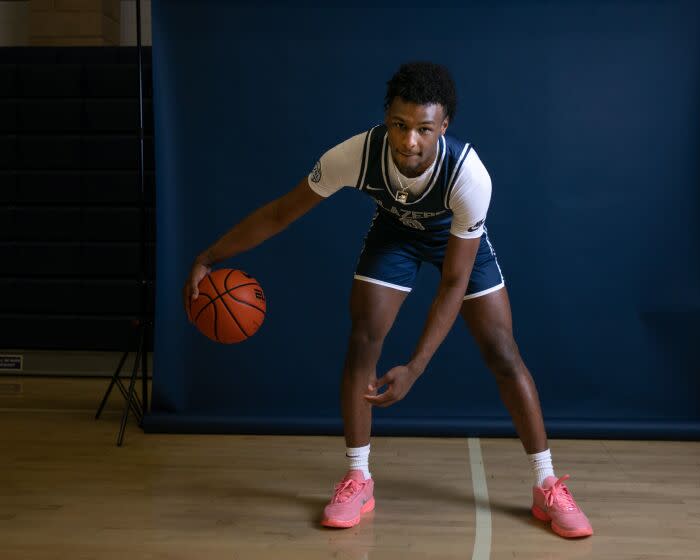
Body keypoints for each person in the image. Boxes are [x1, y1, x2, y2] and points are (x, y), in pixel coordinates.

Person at [183, 62, 593, 539]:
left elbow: (454, 283)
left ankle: (546, 485)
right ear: (386, 119)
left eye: (423, 129)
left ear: (443, 127)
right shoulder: (355, 154)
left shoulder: (469, 177)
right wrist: (208, 257)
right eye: (399, 125)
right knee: (362, 340)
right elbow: (280, 214)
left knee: (502, 352)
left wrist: (416, 366)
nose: (409, 141)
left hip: (456, 244)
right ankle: (358, 476)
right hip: (395, 235)